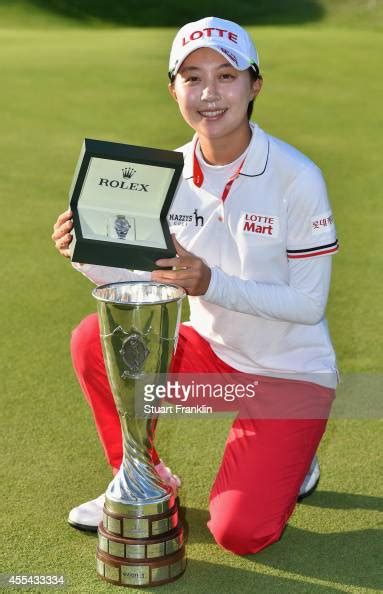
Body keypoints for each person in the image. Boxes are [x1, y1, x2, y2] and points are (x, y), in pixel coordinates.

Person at [52, 16, 339, 555]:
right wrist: (85, 254)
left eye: (227, 76)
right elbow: (146, 281)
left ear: (255, 85)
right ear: (173, 89)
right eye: (192, 77)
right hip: (212, 359)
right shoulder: (167, 173)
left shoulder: (298, 177)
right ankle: (142, 475)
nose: (210, 93)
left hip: (289, 373)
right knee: (95, 339)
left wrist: (210, 282)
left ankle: (295, 454)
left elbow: (308, 305)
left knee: (239, 534)